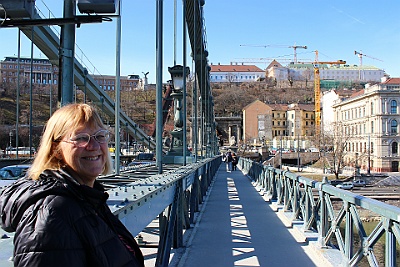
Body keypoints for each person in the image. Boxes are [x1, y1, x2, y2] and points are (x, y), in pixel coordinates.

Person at [0, 104, 144, 267]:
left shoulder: (88, 198)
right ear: (56, 148)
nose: (95, 146)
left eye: (100, 136)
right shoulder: (53, 213)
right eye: (81, 138)